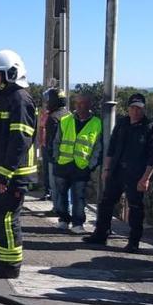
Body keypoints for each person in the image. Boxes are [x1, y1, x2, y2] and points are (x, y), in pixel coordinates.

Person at [0, 50, 37, 279]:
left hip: (13, 175)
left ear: (11, 73)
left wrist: (5, 174)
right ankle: (2, 258)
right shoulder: (5, 98)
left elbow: (19, 140)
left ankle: (11, 265)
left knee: (5, 218)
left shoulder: (20, 99)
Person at [83, 94, 153, 252]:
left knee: (135, 208)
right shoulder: (122, 123)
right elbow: (111, 148)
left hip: (136, 174)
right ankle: (100, 235)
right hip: (116, 172)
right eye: (133, 107)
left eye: (139, 108)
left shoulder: (151, 128)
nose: (135, 111)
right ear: (128, 108)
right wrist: (106, 169)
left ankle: (133, 241)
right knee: (106, 203)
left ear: (143, 109)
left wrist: (145, 178)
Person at [51, 94, 103, 234]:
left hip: (81, 165)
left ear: (89, 105)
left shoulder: (97, 123)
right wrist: (56, 158)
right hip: (63, 163)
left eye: (83, 104)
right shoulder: (65, 120)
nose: (79, 106)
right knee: (61, 195)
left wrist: (91, 164)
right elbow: (57, 141)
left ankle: (78, 223)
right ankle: (63, 220)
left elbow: (98, 146)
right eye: (77, 104)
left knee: (78, 196)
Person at [43, 88, 70, 212]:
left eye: (48, 100)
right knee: (66, 186)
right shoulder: (69, 115)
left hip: (56, 157)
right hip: (69, 157)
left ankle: (57, 209)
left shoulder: (53, 118)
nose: (47, 103)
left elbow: (51, 140)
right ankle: (65, 209)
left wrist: (50, 155)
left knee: (55, 185)